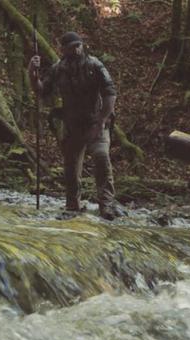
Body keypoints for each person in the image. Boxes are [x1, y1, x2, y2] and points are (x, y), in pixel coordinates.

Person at [28, 31, 118, 220]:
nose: (76, 49)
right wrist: (32, 72)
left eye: (78, 45)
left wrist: (101, 121)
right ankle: (72, 205)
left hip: (96, 122)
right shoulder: (58, 69)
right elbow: (41, 90)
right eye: (72, 47)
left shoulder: (95, 65)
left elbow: (110, 93)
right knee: (70, 167)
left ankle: (107, 205)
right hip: (72, 125)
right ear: (64, 49)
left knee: (101, 158)